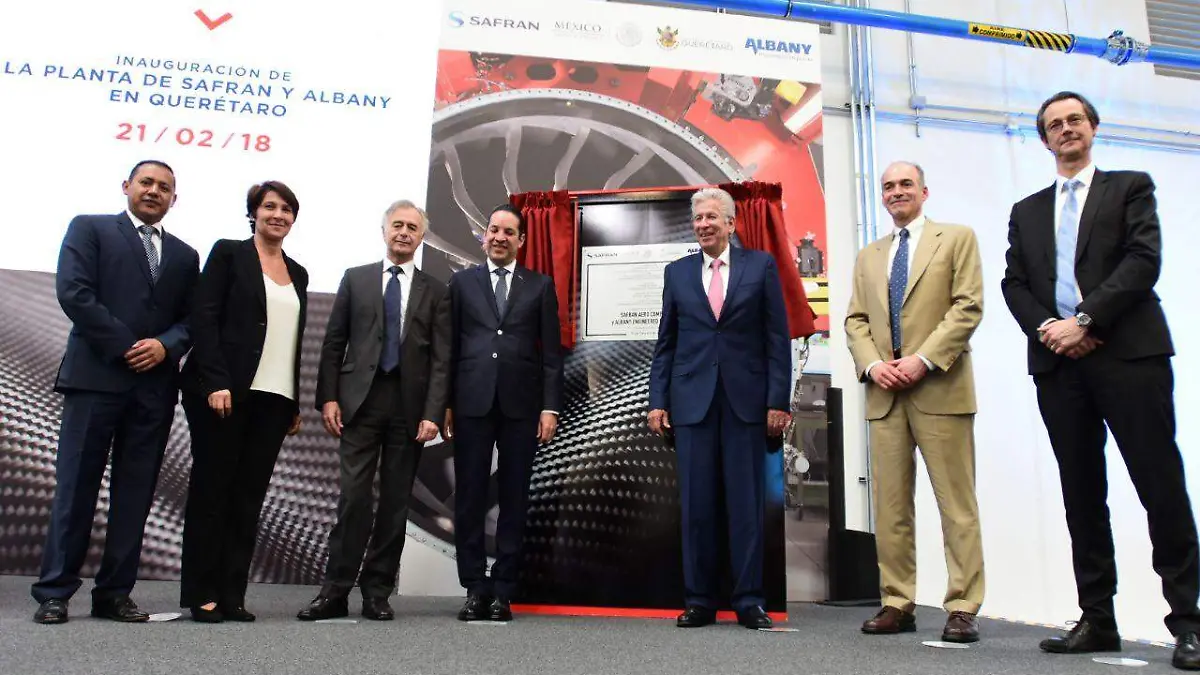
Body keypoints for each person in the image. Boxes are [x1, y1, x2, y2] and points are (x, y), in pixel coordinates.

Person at [1001, 91, 1200, 670]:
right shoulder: (1027, 210)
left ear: (1092, 127)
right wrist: (1052, 330)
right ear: (1044, 140)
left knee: (1159, 484)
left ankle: (1189, 623)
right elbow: (1015, 284)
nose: (1065, 129)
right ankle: (1097, 618)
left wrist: (1084, 321)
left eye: (1074, 120)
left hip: (1129, 356)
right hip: (1059, 365)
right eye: (1054, 124)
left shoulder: (1130, 187)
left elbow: (1143, 261)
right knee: (1082, 493)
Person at [31, 160, 200, 624]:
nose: (154, 191)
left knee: (136, 494)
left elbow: (192, 319)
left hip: (153, 390)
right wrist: (128, 346)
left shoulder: (186, 255)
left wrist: (165, 346)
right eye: (146, 182)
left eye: (164, 187)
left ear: (174, 199)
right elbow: (74, 292)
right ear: (127, 186)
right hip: (95, 380)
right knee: (76, 489)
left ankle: (114, 593)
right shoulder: (90, 229)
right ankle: (54, 592)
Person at [843, 162, 986, 642]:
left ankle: (963, 606)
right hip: (885, 394)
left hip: (940, 387)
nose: (896, 192)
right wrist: (872, 365)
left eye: (905, 184)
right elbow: (855, 320)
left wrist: (923, 359)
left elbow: (968, 306)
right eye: (888, 186)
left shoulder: (957, 238)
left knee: (957, 506)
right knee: (890, 508)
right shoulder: (869, 256)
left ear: (924, 191)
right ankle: (896, 602)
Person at [297, 200, 451, 622]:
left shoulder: (437, 291)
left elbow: (442, 359)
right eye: (397, 225)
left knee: (395, 504)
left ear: (421, 238)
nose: (404, 232)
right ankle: (334, 592)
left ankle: (377, 593)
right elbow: (334, 341)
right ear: (384, 231)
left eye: (412, 228)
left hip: (409, 409)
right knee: (354, 499)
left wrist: (433, 412)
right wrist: (328, 397)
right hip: (359, 404)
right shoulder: (356, 278)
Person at [647, 187, 791, 629]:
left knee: (746, 505)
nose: (704, 224)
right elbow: (667, 342)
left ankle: (749, 601)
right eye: (698, 218)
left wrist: (777, 401)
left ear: (731, 223)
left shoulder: (760, 267)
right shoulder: (677, 273)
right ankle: (699, 600)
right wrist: (657, 401)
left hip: (746, 405)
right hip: (692, 405)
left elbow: (776, 339)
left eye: (712, 217)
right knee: (697, 506)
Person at [178, 181, 308, 622]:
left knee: (248, 499)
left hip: (275, 399)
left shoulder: (299, 273)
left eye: (286, 209)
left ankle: (232, 593)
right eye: (269, 206)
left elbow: (290, 340)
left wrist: (293, 402)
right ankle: (202, 592)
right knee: (212, 492)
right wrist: (215, 381)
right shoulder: (228, 254)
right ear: (253, 213)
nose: (278, 214)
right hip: (225, 394)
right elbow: (205, 317)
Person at [446, 203, 562, 622]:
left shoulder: (540, 286)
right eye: (493, 230)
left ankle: (504, 589)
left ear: (521, 240)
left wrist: (549, 407)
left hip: (522, 406)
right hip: (471, 402)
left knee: (514, 497)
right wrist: (446, 403)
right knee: (470, 497)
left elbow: (551, 354)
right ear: (484, 237)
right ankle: (475, 588)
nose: (498, 237)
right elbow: (449, 347)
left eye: (508, 232)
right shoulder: (461, 283)